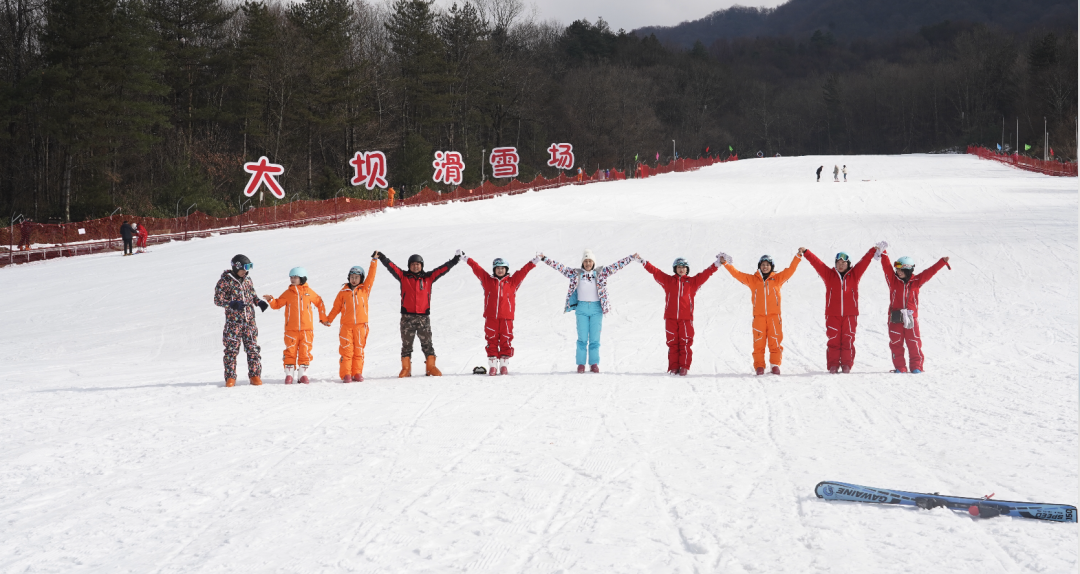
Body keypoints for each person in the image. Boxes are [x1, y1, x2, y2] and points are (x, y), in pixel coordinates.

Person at [538, 249, 635, 373]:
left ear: (593, 262)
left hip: (596, 309)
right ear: (582, 263)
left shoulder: (601, 273)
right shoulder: (575, 273)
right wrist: (544, 258)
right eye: (585, 261)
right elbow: (560, 267)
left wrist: (631, 258)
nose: (588, 263)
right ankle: (581, 364)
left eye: (590, 261)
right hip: (582, 309)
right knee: (582, 338)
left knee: (595, 339)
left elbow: (616, 266)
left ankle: (594, 363)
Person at [719, 249, 804, 375]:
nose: (765, 267)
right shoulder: (753, 280)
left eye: (768, 265)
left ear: (771, 267)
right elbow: (738, 274)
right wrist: (726, 264)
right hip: (758, 318)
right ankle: (759, 366)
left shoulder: (777, 279)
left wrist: (798, 257)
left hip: (774, 317)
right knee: (759, 343)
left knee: (775, 341)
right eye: (763, 265)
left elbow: (790, 270)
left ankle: (775, 365)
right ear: (759, 266)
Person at [377, 251, 462, 377]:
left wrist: (455, 260)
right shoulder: (403, 276)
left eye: (418, 264)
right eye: (413, 264)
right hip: (407, 317)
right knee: (407, 345)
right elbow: (392, 267)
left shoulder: (428, 277)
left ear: (422, 265)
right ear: (409, 266)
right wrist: (382, 257)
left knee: (427, 343)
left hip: (423, 317)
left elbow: (442, 269)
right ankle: (406, 369)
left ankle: (431, 367)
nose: (415, 266)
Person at [637, 253, 721, 375]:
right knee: (672, 343)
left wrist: (717, 264)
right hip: (670, 318)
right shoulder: (668, 281)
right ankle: (673, 367)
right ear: (675, 269)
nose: (681, 269)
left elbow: (706, 273)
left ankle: (684, 367)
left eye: (684, 267)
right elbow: (655, 272)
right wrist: (642, 261)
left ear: (687, 269)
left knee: (685, 343)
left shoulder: (693, 282)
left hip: (686, 319)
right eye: (679, 267)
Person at [803, 246, 877, 373]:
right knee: (834, 340)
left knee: (848, 340)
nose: (841, 265)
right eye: (838, 263)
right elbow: (817, 263)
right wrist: (806, 253)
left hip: (850, 314)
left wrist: (872, 251)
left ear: (848, 264)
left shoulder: (854, 275)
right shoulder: (829, 275)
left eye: (844, 263)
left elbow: (863, 263)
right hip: (833, 314)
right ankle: (833, 365)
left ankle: (847, 364)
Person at [465, 254, 538, 375]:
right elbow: (477, 269)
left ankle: (504, 365)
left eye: (502, 268)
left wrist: (534, 261)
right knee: (491, 340)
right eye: (498, 268)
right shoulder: (488, 281)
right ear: (494, 270)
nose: (500, 270)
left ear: (506, 269)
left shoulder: (512, 282)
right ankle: (493, 365)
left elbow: (523, 271)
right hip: (491, 317)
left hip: (506, 318)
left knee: (506, 339)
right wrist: (467, 259)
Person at [880, 248, 950, 373]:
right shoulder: (893, 280)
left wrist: (942, 262)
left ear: (908, 270)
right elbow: (886, 267)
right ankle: (900, 367)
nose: (898, 272)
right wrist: (883, 254)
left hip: (911, 317)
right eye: (897, 269)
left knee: (914, 343)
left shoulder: (916, 281)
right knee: (896, 343)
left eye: (901, 269)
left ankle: (916, 366)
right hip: (895, 317)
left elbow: (930, 272)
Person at [263, 267, 327, 384]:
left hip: (306, 329)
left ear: (302, 278)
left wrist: (323, 318)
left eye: (295, 277)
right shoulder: (288, 293)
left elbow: (319, 302)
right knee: (290, 351)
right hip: (291, 329)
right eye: (291, 277)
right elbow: (277, 305)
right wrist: (271, 300)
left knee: (305, 351)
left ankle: (302, 374)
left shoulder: (309, 292)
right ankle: (289, 374)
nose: (292, 280)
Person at [214, 254, 267, 387]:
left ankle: (255, 375)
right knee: (231, 350)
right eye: (244, 268)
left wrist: (258, 301)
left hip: (249, 322)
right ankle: (230, 377)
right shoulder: (225, 281)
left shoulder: (247, 279)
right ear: (236, 267)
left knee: (253, 349)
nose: (246, 271)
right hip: (233, 323)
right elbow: (218, 300)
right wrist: (231, 304)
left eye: (248, 268)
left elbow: (252, 294)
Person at [322, 256, 378, 383]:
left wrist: (374, 261)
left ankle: (357, 372)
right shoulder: (343, 292)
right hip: (346, 326)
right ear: (349, 278)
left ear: (361, 279)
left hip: (361, 326)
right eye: (352, 277)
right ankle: (346, 374)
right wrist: (329, 320)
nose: (354, 280)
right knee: (347, 350)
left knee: (359, 350)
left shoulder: (364, 290)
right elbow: (336, 308)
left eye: (356, 277)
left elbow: (371, 277)